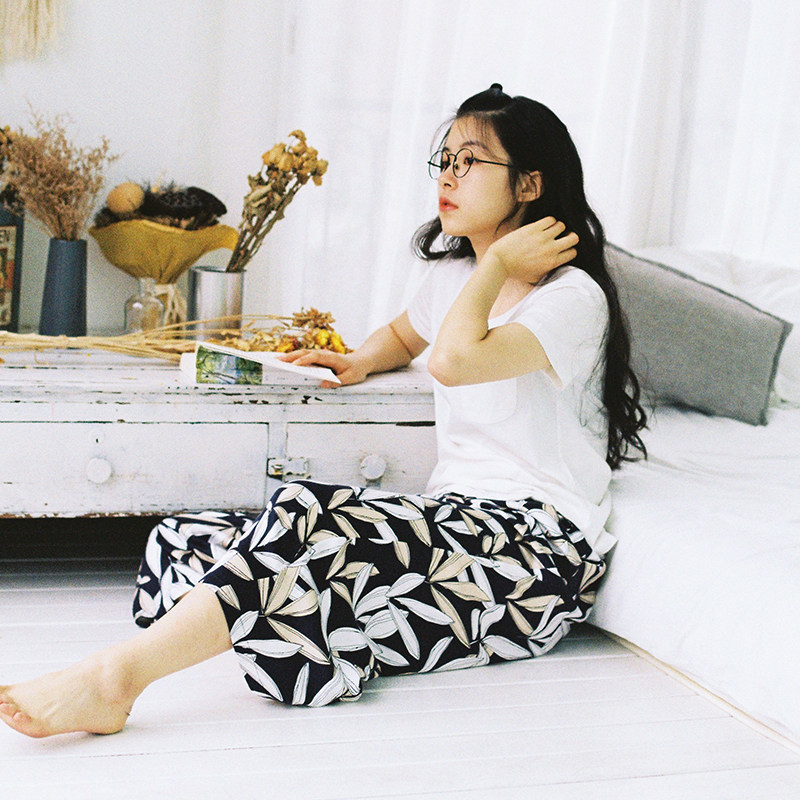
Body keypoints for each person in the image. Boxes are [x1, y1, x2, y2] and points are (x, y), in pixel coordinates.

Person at [0, 84, 646, 738]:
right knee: (186, 537)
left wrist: (501, 260)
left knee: (304, 517)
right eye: (444, 160)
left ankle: (115, 679)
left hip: (535, 558)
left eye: (469, 161)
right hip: (456, 522)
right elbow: (405, 336)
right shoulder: (454, 278)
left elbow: (453, 358)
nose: (447, 177)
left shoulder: (572, 298)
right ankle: (291, 638)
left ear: (529, 184)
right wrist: (361, 360)